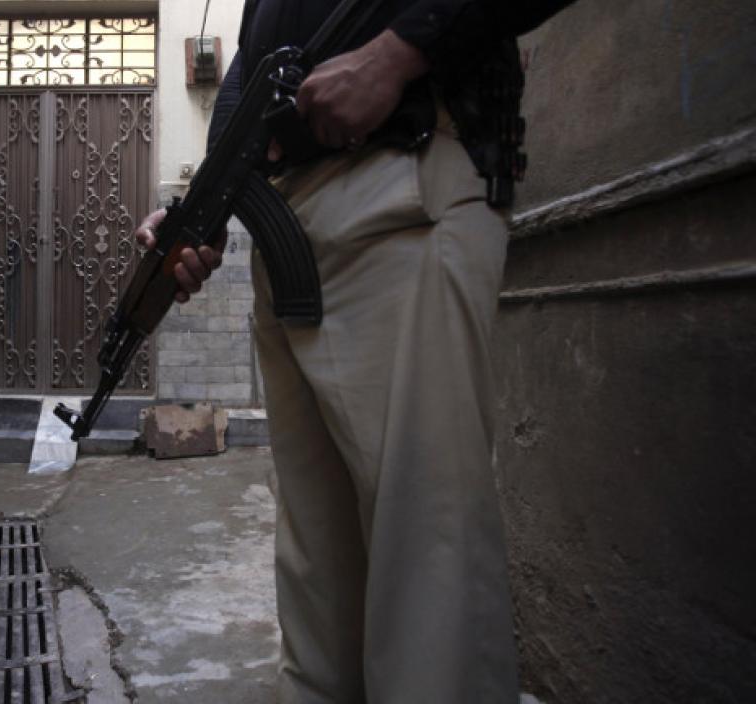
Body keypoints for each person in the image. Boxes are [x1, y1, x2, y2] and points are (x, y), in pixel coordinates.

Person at [136, 1, 575, 701]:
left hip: (400, 182)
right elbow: (252, 64)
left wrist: (398, 49)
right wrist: (206, 208)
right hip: (288, 234)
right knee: (315, 562)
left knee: (425, 557)